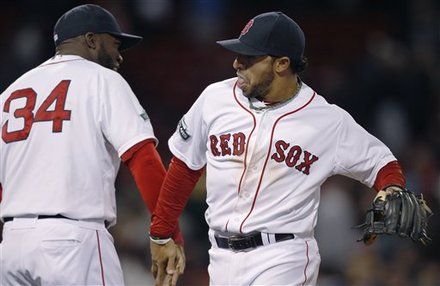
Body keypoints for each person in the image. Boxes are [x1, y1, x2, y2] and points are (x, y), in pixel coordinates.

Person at [148, 11, 407, 285]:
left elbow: (382, 163)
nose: (236, 63)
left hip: (284, 255)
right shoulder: (215, 98)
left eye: (248, 58)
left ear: (282, 64)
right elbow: (185, 166)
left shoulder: (326, 119)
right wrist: (161, 232)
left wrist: (391, 187)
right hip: (221, 257)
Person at [0, 4, 184, 286]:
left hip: (13, 245)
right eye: (115, 43)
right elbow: (143, 158)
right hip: (73, 244)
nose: (120, 55)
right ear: (91, 40)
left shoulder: (10, 93)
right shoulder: (103, 79)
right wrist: (167, 232)